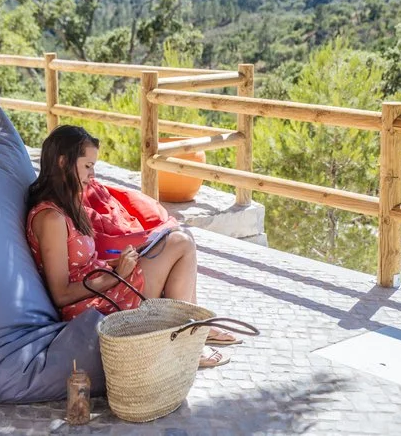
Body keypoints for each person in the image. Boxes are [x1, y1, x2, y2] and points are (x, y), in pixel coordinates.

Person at [25, 125, 241, 368]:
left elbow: (82, 265)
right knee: (181, 244)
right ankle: (185, 342)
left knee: (177, 239)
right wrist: (116, 275)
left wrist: (118, 263)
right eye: (88, 166)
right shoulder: (51, 219)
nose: (92, 175)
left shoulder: (68, 205)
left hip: (105, 287)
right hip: (94, 306)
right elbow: (61, 295)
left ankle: (192, 329)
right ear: (63, 162)